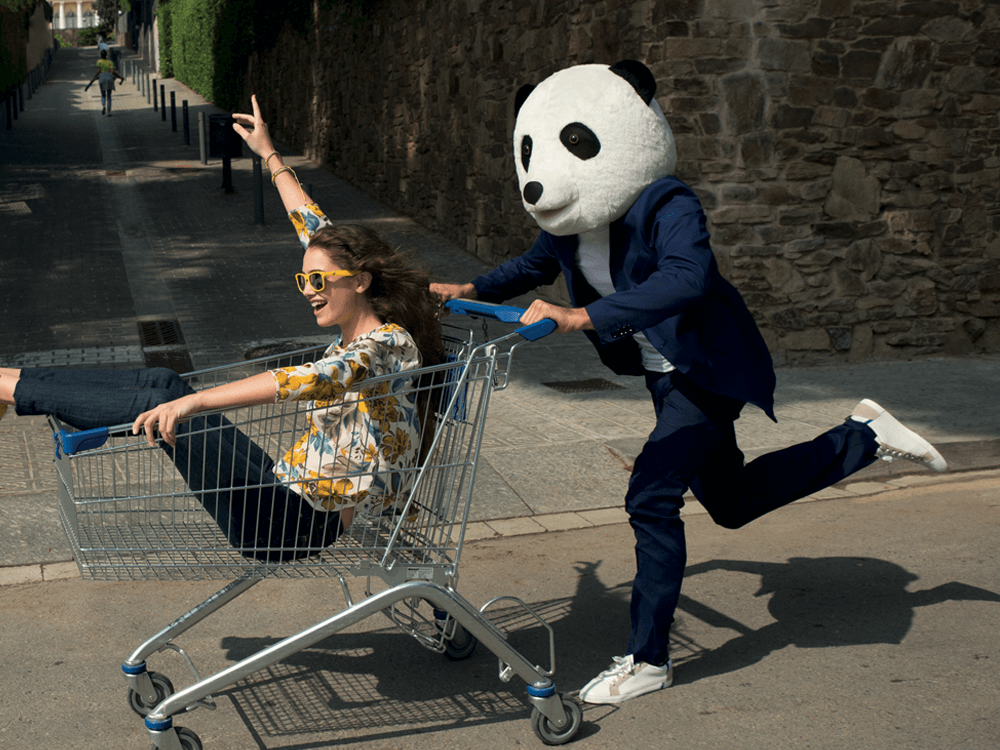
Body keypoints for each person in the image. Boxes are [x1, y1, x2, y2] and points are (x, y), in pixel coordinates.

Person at [431, 162, 948, 706]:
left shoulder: (664, 202)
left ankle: (649, 660)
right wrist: (469, 288)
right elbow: (534, 263)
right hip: (665, 376)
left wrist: (583, 315)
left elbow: (686, 277)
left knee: (651, 497)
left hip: (708, 368)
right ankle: (863, 436)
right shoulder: (573, 218)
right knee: (731, 501)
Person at [0, 99, 443, 561]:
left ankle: (9, 388)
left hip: (290, 522)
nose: (309, 291)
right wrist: (269, 153)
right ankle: (10, 379)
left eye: (318, 280)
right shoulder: (355, 321)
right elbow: (312, 225)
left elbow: (314, 378)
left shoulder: (388, 343)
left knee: (168, 403)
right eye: (304, 279)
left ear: (361, 280)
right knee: (164, 383)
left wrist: (199, 400)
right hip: (282, 492)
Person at [84, 49, 124, 116]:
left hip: (102, 78)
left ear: (101, 55)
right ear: (106, 55)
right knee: (109, 96)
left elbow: (98, 71)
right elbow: (113, 72)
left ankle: (103, 106)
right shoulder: (110, 62)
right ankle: (109, 112)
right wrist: (120, 77)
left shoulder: (99, 61)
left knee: (103, 95)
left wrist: (93, 78)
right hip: (109, 78)